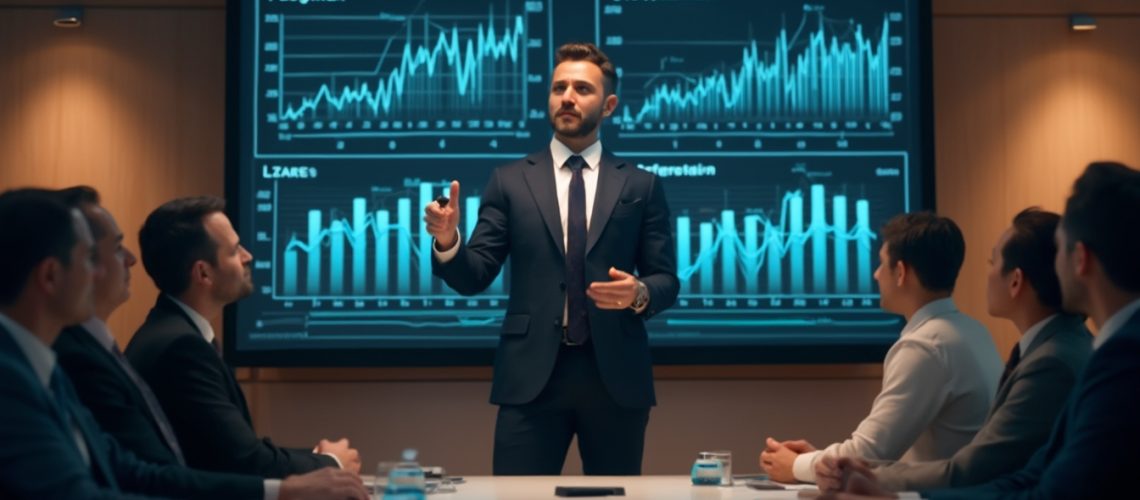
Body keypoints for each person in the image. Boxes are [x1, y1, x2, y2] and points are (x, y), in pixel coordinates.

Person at [0, 188, 367, 499]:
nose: (124, 264)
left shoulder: (46, 368)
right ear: (50, 274)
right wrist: (296, 485)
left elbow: (130, 470)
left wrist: (286, 489)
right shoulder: (14, 380)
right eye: (90, 258)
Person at [423, 42, 678, 475]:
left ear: (610, 105)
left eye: (582, 88)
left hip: (614, 377)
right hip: (531, 379)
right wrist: (449, 242)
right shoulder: (509, 182)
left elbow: (666, 280)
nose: (567, 97)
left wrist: (638, 292)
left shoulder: (641, 185)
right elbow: (475, 275)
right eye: (559, 87)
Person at [820, 162, 1140, 500]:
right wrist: (897, 497)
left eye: (1059, 250)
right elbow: (1028, 478)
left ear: (1080, 259)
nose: (1052, 263)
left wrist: (885, 485)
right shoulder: (1079, 349)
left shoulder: (1095, 360)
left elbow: (1045, 490)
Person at [125, 196, 361, 477]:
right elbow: (243, 461)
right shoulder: (181, 348)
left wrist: (317, 459)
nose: (248, 256)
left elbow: (229, 449)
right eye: (235, 250)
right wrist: (331, 463)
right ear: (204, 273)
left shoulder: (173, 333)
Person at [762, 212, 1002, 483]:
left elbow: (869, 454)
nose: (876, 275)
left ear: (901, 272)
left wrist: (796, 466)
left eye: (881, 264)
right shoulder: (974, 332)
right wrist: (819, 459)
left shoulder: (925, 347)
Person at [51, 186, 187, 466]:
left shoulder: (94, 349)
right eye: (115, 247)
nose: (131, 259)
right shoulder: (74, 359)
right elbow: (144, 473)